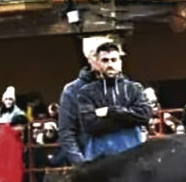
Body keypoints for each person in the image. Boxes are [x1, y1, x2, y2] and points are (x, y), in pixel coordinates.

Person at [77, 41, 151, 161]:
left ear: (120, 63)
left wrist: (111, 111)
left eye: (114, 60)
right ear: (98, 63)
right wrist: (128, 118)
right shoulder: (86, 92)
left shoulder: (134, 88)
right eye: (105, 60)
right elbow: (89, 124)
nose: (110, 64)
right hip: (100, 158)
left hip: (133, 156)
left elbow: (144, 115)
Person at [58, 36, 108, 165]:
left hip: (124, 162)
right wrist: (81, 163)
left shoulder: (126, 87)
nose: (108, 63)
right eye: (103, 58)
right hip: (92, 160)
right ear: (91, 59)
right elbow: (67, 131)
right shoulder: (73, 90)